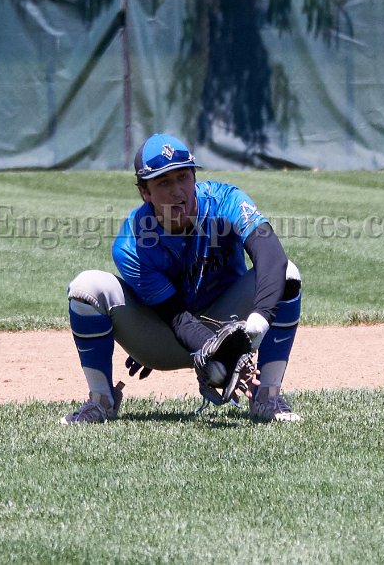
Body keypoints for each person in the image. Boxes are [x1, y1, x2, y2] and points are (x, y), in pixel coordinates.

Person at [61, 132, 303, 424]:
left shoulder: (224, 200)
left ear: (194, 177)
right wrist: (221, 355)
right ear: (144, 192)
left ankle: (267, 397)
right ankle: (101, 401)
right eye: (164, 182)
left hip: (233, 325)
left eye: (183, 177)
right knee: (87, 286)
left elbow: (271, 255)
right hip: (167, 336)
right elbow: (177, 318)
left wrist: (259, 321)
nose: (178, 191)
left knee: (286, 273)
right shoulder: (132, 243)